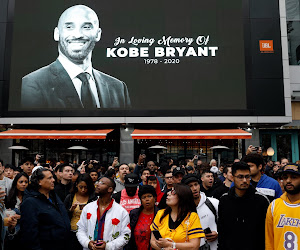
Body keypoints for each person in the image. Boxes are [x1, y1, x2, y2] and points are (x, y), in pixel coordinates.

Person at [21, 4, 131, 109]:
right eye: (69, 27)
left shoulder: (118, 87)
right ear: (57, 34)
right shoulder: (33, 83)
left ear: (98, 34)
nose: (78, 34)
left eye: (86, 27)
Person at [218, 162, 270, 250]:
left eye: (247, 176)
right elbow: (222, 231)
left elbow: (267, 232)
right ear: (232, 178)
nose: (245, 180)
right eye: (240, 177)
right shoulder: (224, 200)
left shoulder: (262, 200)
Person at [20, 168, 70, 250]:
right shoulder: (30, 203)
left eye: (53, 177)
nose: (53, 180)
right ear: (39, 182)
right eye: (49, 178)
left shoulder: (54, 196)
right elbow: (30, 235)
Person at [76, 177, 130, 250]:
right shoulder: (88, 208)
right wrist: (87, 243)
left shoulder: (121, 212)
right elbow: (80, 229)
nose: (98, 184)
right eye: (98, 182)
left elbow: (126, 235)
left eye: (102, 183)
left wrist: (108, 246)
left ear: (110, 189)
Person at [150, 183, 205, 249]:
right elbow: (152, 241)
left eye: (173, 192)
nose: (168, 193)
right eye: (170, 191)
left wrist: (172, 245)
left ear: (182, 196)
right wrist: (164, 249)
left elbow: (194, 246)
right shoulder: (160, 214)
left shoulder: (192, 217)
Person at [265, 163, 300, 250]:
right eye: (285, 177)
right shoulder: (274, 205)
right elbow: (269, 240)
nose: (288, 180)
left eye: (294, 177)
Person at [182, 174, 219, 250]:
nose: (194, 188)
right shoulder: (181, 209)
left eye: (196, 184)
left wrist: (218, 233)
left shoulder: (214, 203)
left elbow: (226, 225)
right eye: (190, 186)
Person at [64, 173, 95, 250]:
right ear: (76, 185)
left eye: (86, 187)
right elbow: (63, 214)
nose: (83, 190)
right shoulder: (70, 197)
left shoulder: (93, 198)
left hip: (87, 232)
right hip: (72, 230)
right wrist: (71, 209)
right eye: (81, 187)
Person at [127, 185, 158, 250]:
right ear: (140, 200)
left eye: (149, 196)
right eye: (144, 197)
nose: (147, 199)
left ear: (154, 198)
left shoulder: (160, 214)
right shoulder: (134, 214)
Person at [4, 172, 28, 249]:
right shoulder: (9, 197)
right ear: (16, 183)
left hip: (25, 229)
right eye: (21, 182)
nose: (24, 184)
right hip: (13, 230)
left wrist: (20, 217)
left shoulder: (30, 198)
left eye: (26, 182)